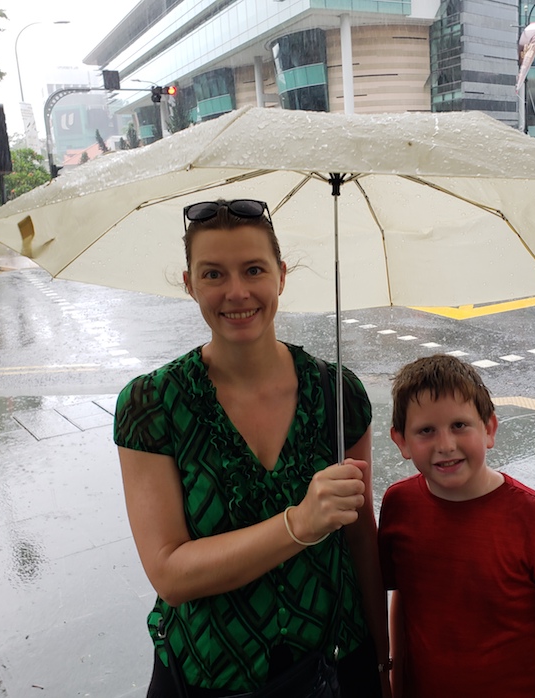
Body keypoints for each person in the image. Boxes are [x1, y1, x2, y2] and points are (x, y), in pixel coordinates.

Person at [114, 199, 390, 697]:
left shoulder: (338, 393)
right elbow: (170, 573)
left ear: (281, 276)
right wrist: (298, 524)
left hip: (335, 664)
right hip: (211, 674)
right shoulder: (151, 404)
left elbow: (359, 538)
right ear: (189, 282)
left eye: (254, 269)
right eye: (213, 274)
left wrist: (382, 660)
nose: (237, 292)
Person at [378, 355, 535, 698]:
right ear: (401, 442)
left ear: (488, 429)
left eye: (459, 425)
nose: (445, 445)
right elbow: (404, 598)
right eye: (426, 430)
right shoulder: (399, 505)